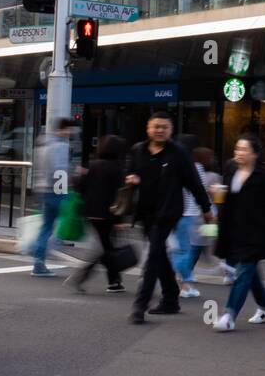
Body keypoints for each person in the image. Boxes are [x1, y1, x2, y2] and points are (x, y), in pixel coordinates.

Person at [124, 112, 212, 324]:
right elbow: (128, 173)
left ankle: (139, 306)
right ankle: (171, 299)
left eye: (164, 127)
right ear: (148, 128)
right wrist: (131, 179)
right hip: (145, 212)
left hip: (168, 213)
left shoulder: (179, 153)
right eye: (156, 126)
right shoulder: (138, 150)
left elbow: (193, 182)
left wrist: (206, 208)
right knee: (160, 254)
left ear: (170, 130)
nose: (160, 130)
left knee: (154, 255)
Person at [212, 133, 265, 331]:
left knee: (243, 272)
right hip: (234, 231)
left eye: (244, 149)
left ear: (255, 153)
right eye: (237, 149)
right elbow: (226, 200)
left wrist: (264, 230)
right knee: (250, 273)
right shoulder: (231, 168)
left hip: (255, 234)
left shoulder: (264, 176)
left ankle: (229, 316)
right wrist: (218, 197)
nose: (239, 153)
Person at [67, 135, 128, 293]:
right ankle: (81, 277)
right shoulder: (117, 168)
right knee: (105, 249)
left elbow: (80, 187)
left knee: (106, 247)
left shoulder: (93, 165)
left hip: (91, 213)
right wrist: (120, 219)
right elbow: (120, 196)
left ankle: (114, 281)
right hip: (109, 214)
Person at [30, 117, 78, 277]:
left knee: (47, 226)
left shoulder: (43, 143)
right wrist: (64, 189)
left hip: (43, 189)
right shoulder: (61, 146)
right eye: (71, 130)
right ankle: (41, 252)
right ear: (65, 129)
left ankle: (38, 258)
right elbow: (59, 170)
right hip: (56, 190)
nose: (72, 133)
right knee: (66, 221)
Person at [174, 147, 219, 299]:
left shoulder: (184, 168)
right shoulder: (211, 175)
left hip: (194, 216)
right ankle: (191, 273)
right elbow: (208, 193)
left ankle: (191, 271)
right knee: (203, 243)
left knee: (198, 244)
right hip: (204, 215)